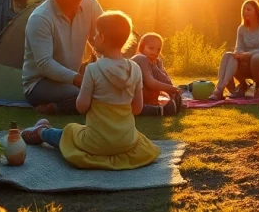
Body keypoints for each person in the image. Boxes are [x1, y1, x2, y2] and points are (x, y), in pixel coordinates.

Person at [21, 11, 161, 170]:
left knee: (70, 132)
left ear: (101, 37)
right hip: (126, 142)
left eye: (94, 35)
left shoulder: (93, 70)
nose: (93, 38)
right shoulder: (135, 69)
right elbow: (137, 109)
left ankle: (41, 132)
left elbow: (81, 107)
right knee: (137, 139)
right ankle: (43, 129)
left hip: (95, 142)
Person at [22, 0, 104, 115]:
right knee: (81, 96)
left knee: (100, 92)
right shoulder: (41, 18)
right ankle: (51, 108)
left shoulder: (90, 5)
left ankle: (61, 103)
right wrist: (81, 80)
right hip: (40, 82)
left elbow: (104, 39)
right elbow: (45, 64)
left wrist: (111, 67)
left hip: (72, 77)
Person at [207, 0, 259, 100]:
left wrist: (247, 54)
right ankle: (221, 89)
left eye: (249, 9)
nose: (245, 12)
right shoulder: (242, 28)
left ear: (256, 11)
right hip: (246, 62)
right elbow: (239, 47)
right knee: (228, 55)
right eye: (244, 10)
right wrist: (238, 53)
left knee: (256, 58)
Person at [131, 32, 183, 116]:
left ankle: (158, 107)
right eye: (151, 48)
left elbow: (165, 79)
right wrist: (172, 89)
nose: (155, 52)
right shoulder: (141, 58)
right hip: (133, 100)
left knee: (171, 99)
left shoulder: (156, 61)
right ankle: (159, 110)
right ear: (142, 47)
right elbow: (150, 83)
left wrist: (173, 92)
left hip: (148, 100)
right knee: (138, 108)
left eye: (158, 50)